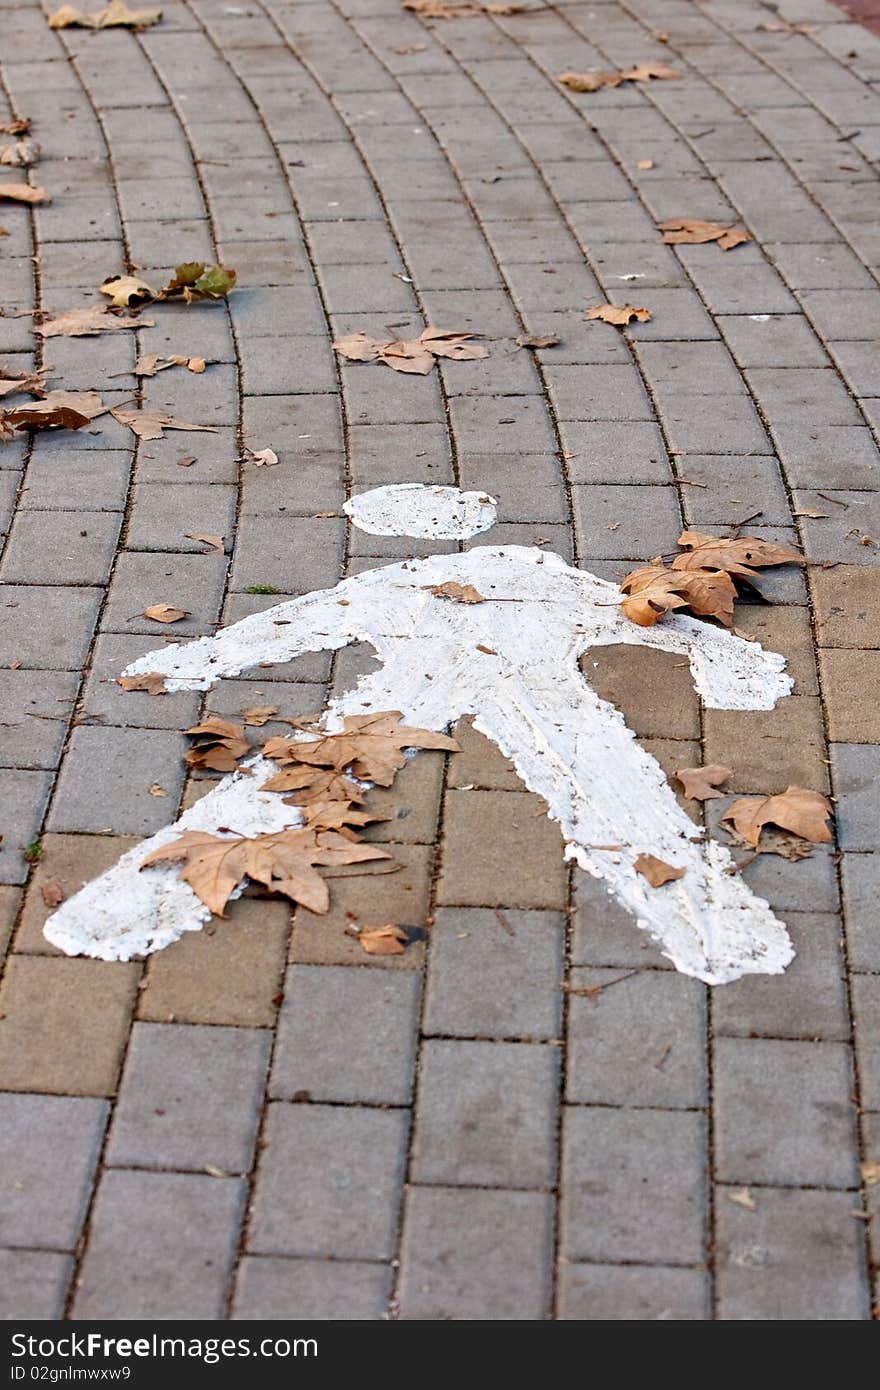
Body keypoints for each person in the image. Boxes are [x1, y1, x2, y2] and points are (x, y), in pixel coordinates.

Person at [45, 537, 795, 985]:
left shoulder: (462, 578)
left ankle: (132, 903)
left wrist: (192, 663)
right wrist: (735, 670)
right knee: (609, 789)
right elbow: (310, 617)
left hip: (482, 693)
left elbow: (309, 617)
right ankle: (722, 929)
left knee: (306, 778)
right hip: (489, 693)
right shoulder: (535, 579)